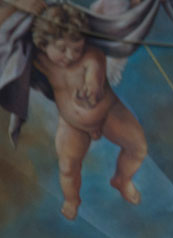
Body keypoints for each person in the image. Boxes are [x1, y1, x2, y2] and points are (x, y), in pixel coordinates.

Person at [30, 2, 147, 220]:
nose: (70, 55)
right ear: (43, 43)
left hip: (108, 114)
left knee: (138, 148)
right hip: (72, 124)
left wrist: (90, 89)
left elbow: (94, 79)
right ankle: (72, 199)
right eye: (62, 48)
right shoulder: (39, 61)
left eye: (76, 48)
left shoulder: (92, 56)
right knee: (68, 167)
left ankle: (122, 179)